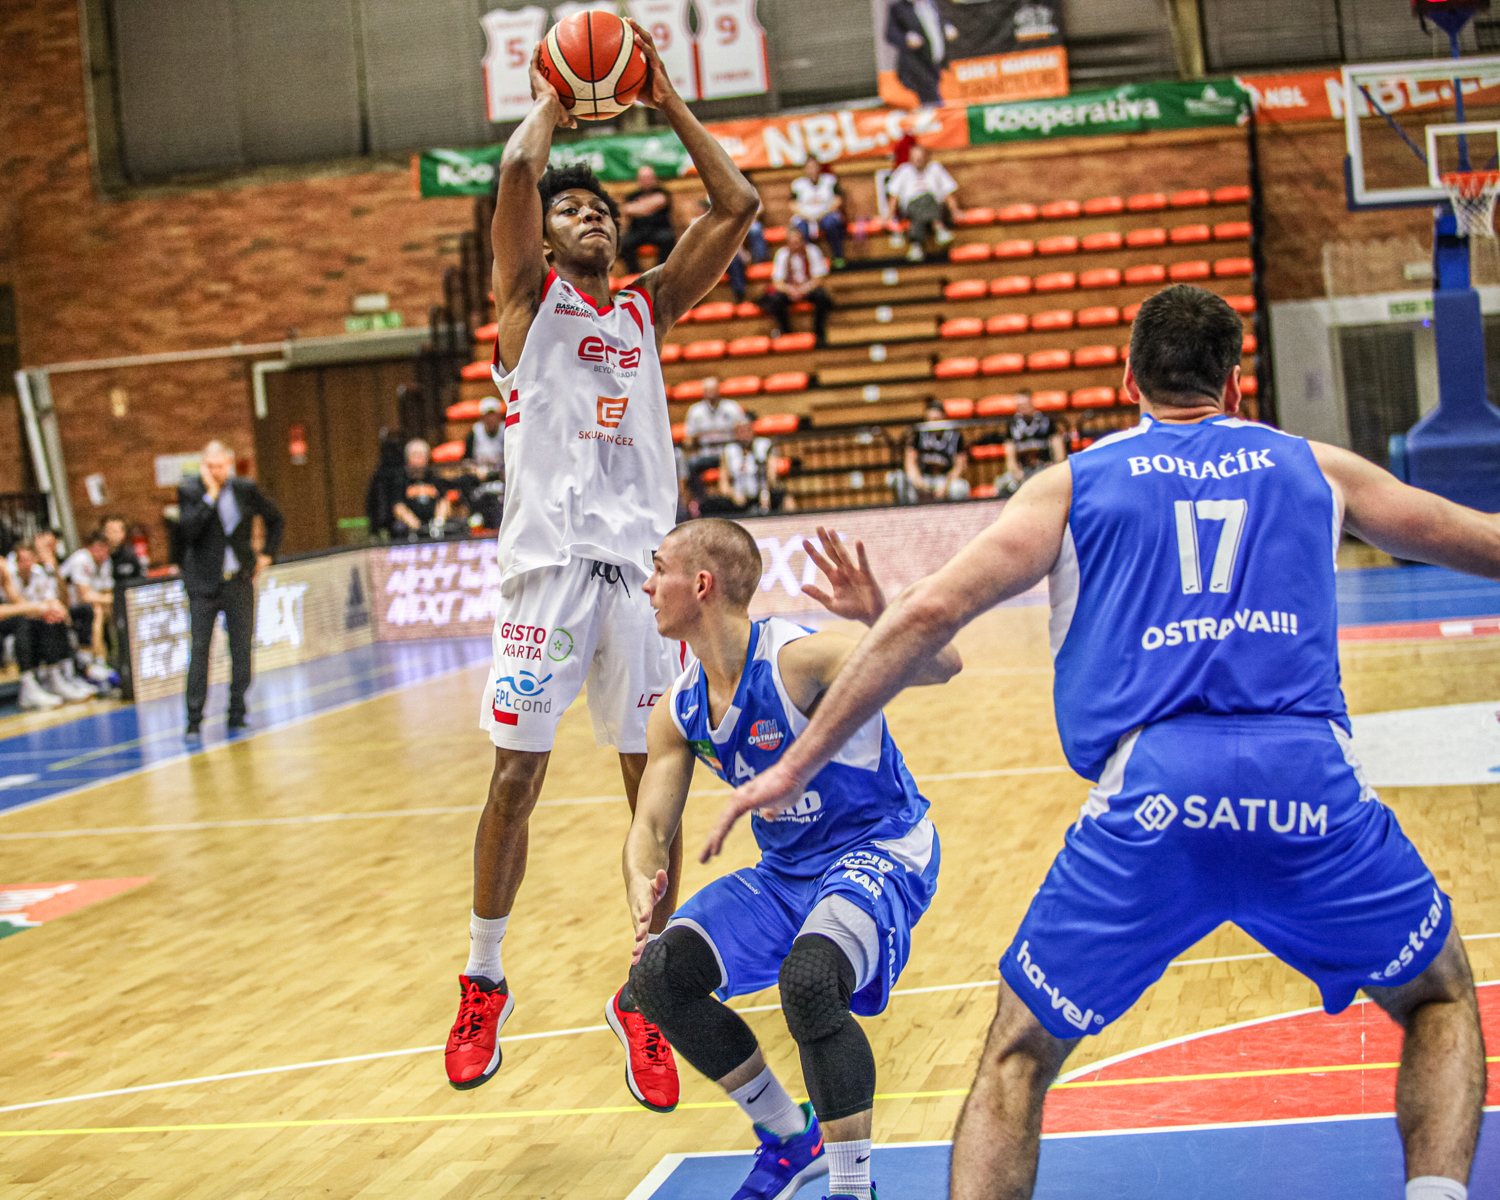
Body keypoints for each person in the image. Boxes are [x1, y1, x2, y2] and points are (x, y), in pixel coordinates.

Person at [711, 284, 1497, 1200]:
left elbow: (929, 614)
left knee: (1017, 1056)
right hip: (1308, 785)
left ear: (1128, 379)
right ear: (1236, 383)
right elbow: (1481, 540)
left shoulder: (1074, 483)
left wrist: (795, 763)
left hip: (1153, 794)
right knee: (1439, 997)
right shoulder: (1317, 468)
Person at [445, 22, 759, 1110]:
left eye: (604, 212)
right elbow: (518, 171)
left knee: (653, 792)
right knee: (514, 780)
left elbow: (737, 206)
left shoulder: (642, 308)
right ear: (543, 237)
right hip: (546, 576)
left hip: (642, 582)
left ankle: (646, 993)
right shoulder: (525, 307)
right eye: (573, 209)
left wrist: (665, 99)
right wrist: (557, 87)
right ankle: (484, 977)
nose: (590, 216)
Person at [623, 522, 958, 1200]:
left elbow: (942, 665)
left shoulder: (799, 662)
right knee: (658, 977)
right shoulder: (679, 708)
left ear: (702, 584)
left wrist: (878, 615)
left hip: (880, 849)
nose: (648, 585)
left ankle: (851, 1188)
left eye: (658, 569)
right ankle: (788, 1136)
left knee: (810, 981)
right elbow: (651, 824)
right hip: (786, 876)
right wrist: (640, 874)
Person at [177, 440, 284, 737]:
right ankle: (194, 719)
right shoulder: (190, 491)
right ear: (203, 467)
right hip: (203, 584)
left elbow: (275, 518)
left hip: (238, 580)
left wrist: (267, 554)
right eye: (210, 467)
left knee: (241, 648)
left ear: (229, 464)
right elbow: (188, 532)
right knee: (200, 650)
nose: (216, 471)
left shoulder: (245, 489)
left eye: (221, 466)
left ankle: (237, 710)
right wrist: (210, 496)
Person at [3, 543, 89, 706]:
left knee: (53, 619)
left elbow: (52, 599)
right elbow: (13, 605)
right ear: (16, 561)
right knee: (23, 621)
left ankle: (58, 676)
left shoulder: (38, 572)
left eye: (29, 559)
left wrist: (49, 609)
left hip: (31, 616)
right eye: (22, 560)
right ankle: (29, 685)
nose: (26, 564)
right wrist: (40, 609)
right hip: (13, 618)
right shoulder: (8, 572)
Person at [760, 226, 834, 348]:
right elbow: (777, 283)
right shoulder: (782, 254)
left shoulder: (812, 251)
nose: (795, 244)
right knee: (776, 300)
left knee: (822, 297)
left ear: (802, 240)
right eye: (792, 242)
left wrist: (804, 289)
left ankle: (819, 336)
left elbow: (819, 279)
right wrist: (790, 290)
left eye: (797, 241)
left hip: (808, 288)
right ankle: (786, 334)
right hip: (789, 290)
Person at [886, 143, 959, 262]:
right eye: (915, 157)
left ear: (927, 157)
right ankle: (938, 227)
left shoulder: (935, 168)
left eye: (920, 157)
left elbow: (948, 192)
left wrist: (955, 211)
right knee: (922, 200)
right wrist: (889, 217)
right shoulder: (903, 170)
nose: (918, 160)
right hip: (911, 206)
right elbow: (893, 197)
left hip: (934, 205)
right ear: (910, 158)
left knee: (927, 198)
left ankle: (916, 245)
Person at [683, 378, 747, 507]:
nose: (710, 393)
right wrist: (690, 445)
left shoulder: (732, 407)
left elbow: (744, 429)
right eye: (708, 390)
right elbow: (688, 438)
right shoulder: (695, 411)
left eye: (713, 390)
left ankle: (740, 499)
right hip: (707, 455)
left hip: (729, 454)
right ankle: (701, 502)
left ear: (719, 390)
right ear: (703, 392)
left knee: (741, 463)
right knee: (690, 464)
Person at [884, 0, 955, 107]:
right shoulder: (899, 8)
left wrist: (946, 27)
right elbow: (890, 34)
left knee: (932, 98)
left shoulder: (930, 4)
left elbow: (935, 23)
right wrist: (906, 38)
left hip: (934, 60)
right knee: (932, 99)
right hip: (916, 63)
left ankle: (933, 114)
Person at [897, 400, 969, 504]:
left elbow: (960, 467)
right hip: (923, 478)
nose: (932, 423)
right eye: (929, 419)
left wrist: (946, 484)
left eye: (936, 419)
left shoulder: (955, 435)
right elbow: (910, 463)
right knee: (901, 479)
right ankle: (911, 512)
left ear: (944, 418)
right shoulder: (918, 433)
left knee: (959, 487)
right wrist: (917, 479)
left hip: (944, 479)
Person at [59, 530, 112, 669]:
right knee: (96, 611)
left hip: (88, 606)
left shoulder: (106, 561)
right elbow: (84, 596)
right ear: (91, 548)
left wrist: (109, 604)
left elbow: (106, 591)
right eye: (99, 549)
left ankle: (109, 656)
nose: (103, 553)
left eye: (105, 549)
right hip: (66, 605)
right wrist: (109, 600)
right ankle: (95, 661)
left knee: (107, 610)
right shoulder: (81, 560)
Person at [996, 391, 1064, 494]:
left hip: (1045, 469)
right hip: (1023, 472)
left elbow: (1058, 446)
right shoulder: (1012, 424)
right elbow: (1010, 450)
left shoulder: (1047, 421)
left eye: (1025, 405)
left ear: (1032, 404)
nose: (1022, 409)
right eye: (1019, 406)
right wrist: (1014, 472)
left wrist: (1056, 468)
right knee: (1003, 485)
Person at [620, 165, 677, 274]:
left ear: (654, 179)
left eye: (648, 178)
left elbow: (661, 201)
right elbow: (626, 210)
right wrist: (650, 205)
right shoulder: (631, 196)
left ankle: (661, 273)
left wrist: (638, 208)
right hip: (638, 231)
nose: (646, 181)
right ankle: (634, 274)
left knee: (668, 239)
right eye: (643, 178)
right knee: (625, 244)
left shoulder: (663, 192)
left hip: (659, 230)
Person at [789, 158, 847, 267]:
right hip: (805, 217)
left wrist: (822, 214)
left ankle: (838, 257)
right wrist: (807, 216)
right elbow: (792, 204)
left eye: (814, 166)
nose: (812, 170)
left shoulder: (830, 180)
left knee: (832, 224)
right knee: (800, 229)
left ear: (819, 167)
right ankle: (807, 263)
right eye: (809, 167)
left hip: (826, 214)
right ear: (805, 169)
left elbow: (838, 200)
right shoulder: (798, 184)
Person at [461, 398, 507, 530]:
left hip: (502, 480)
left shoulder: (507, 432)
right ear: (482, 418)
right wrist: (475, 470)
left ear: (499, 416)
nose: (491, 419)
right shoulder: (474, 434)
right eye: (487, 415)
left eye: (493, 415)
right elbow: (466, 462)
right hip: (481, 481)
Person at [391, 439, 451, 539]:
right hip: (410, 525)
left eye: (421, 455)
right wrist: (414, 524)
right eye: (415, 455)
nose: (418, 459)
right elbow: (398, 507)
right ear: (408, 459)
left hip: (434, 524)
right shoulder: (400, 479)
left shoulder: (435, 478)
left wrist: (438, 522)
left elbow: (444, 502)